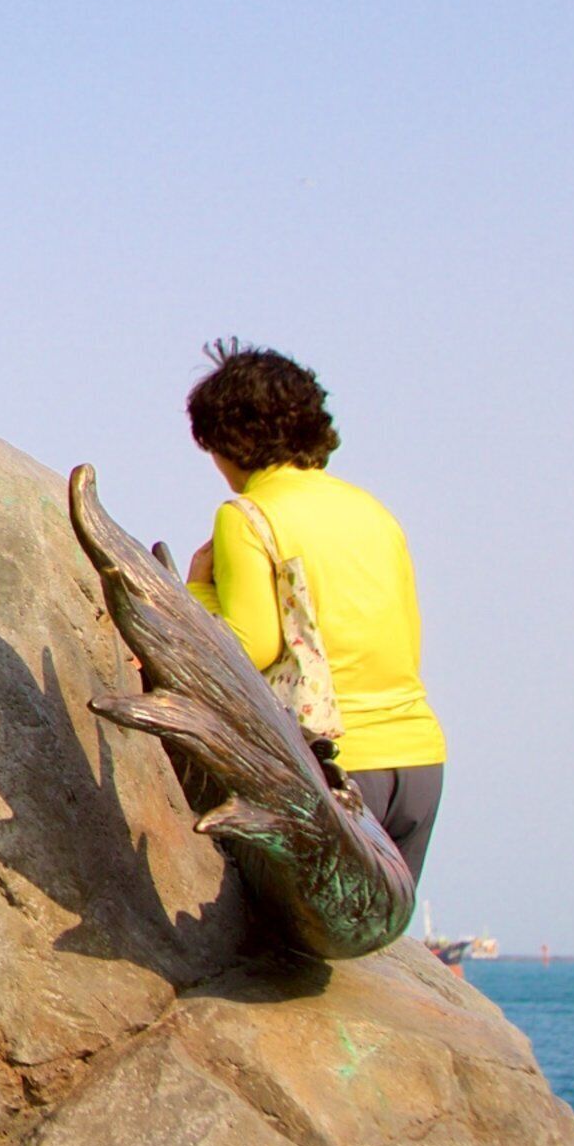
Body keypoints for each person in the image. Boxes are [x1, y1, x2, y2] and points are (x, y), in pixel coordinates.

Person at [182, 342, 447, 878]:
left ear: (227, 440)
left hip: (338, 770)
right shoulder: (374, 512)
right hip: (420, 761)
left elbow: (249, 647)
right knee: (373, 955)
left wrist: (198, 590)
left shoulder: (248, 516)